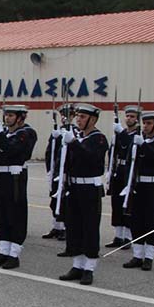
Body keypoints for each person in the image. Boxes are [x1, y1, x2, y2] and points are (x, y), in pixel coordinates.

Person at [56, 104, 109, 285]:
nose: (78, 119)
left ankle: (89, 267)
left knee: (90, 228)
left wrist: (73, 144)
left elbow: (91, 158)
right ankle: (77, 265)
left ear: (93, 120)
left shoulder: (99, 139)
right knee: (74, 227)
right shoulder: (77, 137)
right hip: (74, 187)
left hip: (90, 189)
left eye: (83, 117)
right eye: (77, 116)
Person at [0, 105, 38, 269]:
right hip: (1, 177)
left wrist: (0, 136)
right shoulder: (6, 133)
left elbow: (12, 150)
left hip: (15, 178)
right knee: (1, 214)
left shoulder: (27, 133)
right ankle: (4, 251)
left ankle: (14, 254)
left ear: (21, 118)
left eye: (11, 115)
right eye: (6, 115)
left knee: (15, 215)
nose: (7, 118)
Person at [121, 110, 154, 271]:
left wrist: (143, 145)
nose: (146, 126)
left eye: (149, 123)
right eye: (145, 123)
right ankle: (137, 255)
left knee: (151, 221)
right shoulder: (138, 140)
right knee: (136, 221)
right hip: (138, 186)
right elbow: (130, 162)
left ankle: (149, 256)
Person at [106, 105, 141, 249]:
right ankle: (118, 236)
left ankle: (128, 237)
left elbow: (129, 146)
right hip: (118, 172)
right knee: (117, 204)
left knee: (128, 205)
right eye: (127, 116)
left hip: (130, 173)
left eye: (132, 116)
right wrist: (110, 170)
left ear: (137, 119)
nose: (129, 119)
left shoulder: (138, 135)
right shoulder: (120, 133)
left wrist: (121, 133)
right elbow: (113, 152)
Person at [44, 103, 74, 242]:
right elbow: (50, 152)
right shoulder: (57, 131)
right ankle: (56, 227)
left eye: (67, 115)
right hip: (56, 171)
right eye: (62, 115)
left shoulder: (74, 132)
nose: (64, 118)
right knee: (54, 199)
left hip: (67, 172)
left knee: (65, 202)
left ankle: (66, 228)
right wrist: (50, 170)